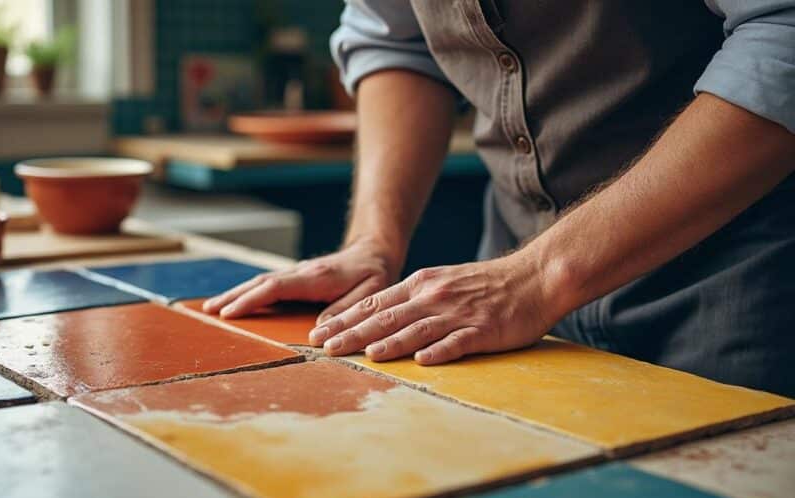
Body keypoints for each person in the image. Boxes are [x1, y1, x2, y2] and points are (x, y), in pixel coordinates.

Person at [204, 1, 795, 394]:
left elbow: (781, 29)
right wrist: (372, 244)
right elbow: (396, 43)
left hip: (732, 283)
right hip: (512, 285)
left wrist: (537, 279)